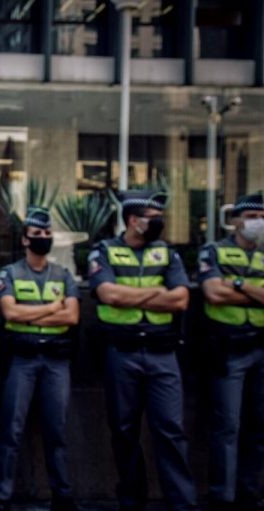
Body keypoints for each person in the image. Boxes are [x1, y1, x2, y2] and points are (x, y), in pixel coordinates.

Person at [88, 190, 197, 511]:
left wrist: (132, 295)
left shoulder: (167, 253)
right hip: (122, 353)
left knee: (171, 430)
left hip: (163, 354)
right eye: (153, 218)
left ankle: (182, 504)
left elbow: (181, 299)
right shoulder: (104, 251)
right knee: (124, 431)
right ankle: (132, 501)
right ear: (133, 221)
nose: (159, 222)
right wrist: (157, 292)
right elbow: (108, 295)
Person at [0, 206, 80, 511]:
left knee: (57, 432)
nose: (44, 237)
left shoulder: (63, 274)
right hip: (22, 360)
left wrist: (32, 313)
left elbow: (72, 316)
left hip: (56, 361)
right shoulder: (11, 273)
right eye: (37, 233)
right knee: (11, 432)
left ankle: (63, 497)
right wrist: (53, 308)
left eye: (47, 233)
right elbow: (10, 312)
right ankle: (1, 498)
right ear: (25, 240)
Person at [198, 191, 264, 511]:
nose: (258, 223)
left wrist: (237, 284)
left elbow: (225, 290)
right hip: (229, 349)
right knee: (228, 427)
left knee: (259, 427)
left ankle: (250, 494)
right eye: (252, 217)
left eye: (262, 217)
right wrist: (255, 292)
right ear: (235, 221)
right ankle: (222, 497)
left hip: (261, 347)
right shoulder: (214, 251)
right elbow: (213, 293)